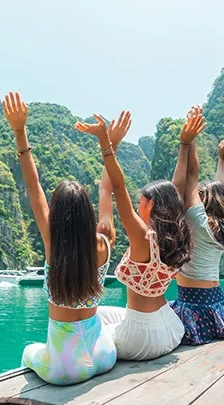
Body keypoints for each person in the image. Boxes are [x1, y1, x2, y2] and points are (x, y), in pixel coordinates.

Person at [6, 92, 128, 385]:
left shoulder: (53, 244)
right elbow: (106, 189)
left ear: (57, 216)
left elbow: (34, 187)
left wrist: (20, 130)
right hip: (103, 355)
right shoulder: (104, 242)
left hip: (64, 369)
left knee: (28, 351)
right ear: (88, 214)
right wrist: (111, 144)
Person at [75, 112, 202, 361]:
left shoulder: (142, 236)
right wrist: (184, 145)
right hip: (171, 327)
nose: (136, 205)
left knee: (85, 324)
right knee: (99, 314)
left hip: (140, 340)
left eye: (140, 201)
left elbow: (115, 187)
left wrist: (107, 143)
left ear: (151, 204)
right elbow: (174, 189)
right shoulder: (177, 236)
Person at [171, 105, 224, 345]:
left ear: (203, 202)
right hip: (218, 306)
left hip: (193, 307)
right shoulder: (223, 227)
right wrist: (222, 159)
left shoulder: (197, 221)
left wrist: (187, 141)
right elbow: (220, 188)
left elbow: (191, 175)